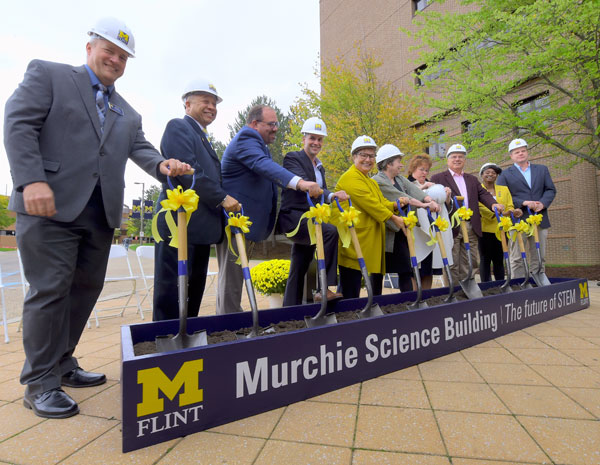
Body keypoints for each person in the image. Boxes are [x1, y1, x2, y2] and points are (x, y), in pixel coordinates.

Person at [3, 18, 192, 419]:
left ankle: (63, 362)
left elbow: (140, 149)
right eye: (110, 50)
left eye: (124, 56)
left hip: (99, 213)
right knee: (50, 290)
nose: (116, 59)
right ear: (89, 47)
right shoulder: (49, 75)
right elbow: (19, 123)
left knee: (85, 290)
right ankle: (39, 382)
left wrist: (164, 165)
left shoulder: (127, 111)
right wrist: (30, 180)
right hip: (48, 204)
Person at [216, 105, 321, 314]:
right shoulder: (246, 138)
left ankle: (232, 322)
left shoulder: (260, 145)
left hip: (246, 224)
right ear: (255, 124)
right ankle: (227, 329)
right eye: (271, 124)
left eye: (277, 124)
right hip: (235, 222)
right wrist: (299, 182)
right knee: (232, 278)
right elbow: (263, 165)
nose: (276, 129)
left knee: (235, 277)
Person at [153, 80, 240, 321]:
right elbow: (191, 173)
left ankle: (186, 341)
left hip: (200, 228)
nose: (211, 107)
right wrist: (222, 198)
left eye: (214, 103)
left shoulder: (202, 137)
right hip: (180, 223)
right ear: (187, 103)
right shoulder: (178, 127)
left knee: (192, 292)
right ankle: (167, 343)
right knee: (172, 292)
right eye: (206, 101)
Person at [276, 117, 347, 306]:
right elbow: (307, 184)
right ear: (304, 139)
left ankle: (289, 309)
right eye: (312, 138)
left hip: (311, 219)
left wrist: (333, 195)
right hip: (295, 218)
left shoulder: (320, 167)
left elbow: (320, 192)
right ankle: (326, 287)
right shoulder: (293, 158)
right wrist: (323, 192)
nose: (316, 143)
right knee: (330, 232)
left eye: (320, 139)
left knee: (299, 264)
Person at [334, 136, 407, 299]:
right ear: (354, 157)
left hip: (368, 241)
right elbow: (371, 205)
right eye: (363, 155)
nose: (368, 159)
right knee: (350, 289)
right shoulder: (350, 178)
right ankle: (347, 321)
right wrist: (394, 218)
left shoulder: (370, 181)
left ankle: (361, 316)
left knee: (366, 286)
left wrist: (395, 205)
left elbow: (380, 202)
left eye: (371, 156)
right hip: (353, 243)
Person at [431, 144, 503, 284]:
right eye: (454, 157)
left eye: (461, 157)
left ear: (464, 160)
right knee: (452, 261)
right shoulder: (438, 178)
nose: (457, 159)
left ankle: (468, 287)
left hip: (471, 225)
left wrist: (493, 204)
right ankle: (454, 290)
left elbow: (483, 194)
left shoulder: (472, 179)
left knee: (470, 260)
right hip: (451, 225)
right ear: (448, 160)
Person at [371, 144, 440, 292]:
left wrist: (429, 199)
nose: (401, 165)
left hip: (401, 230)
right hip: (385, 232)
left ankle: (407, 303)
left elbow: (415, 191)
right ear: (389, 163)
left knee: (405, 269)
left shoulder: (400, 179)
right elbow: (404, 198)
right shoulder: (378, 181)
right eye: (398, 162)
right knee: (378, 271)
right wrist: (424, 205)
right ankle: (376, 303)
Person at [496, 138, 556, 277]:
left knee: (539, 254)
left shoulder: (542, 169)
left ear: (527, 152)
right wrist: (523, 202)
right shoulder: (504, 175)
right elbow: (503, 197)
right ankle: (518, 283)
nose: (521, 153)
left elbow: (550, 190)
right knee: (517, 256)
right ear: (511, 156)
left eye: (523, 150)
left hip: (539, 218)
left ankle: (538, 280)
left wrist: (542, 203)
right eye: (517, 152)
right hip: (517, 220)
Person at [406, 154, 449, 289]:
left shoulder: (431, 184)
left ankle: (426, 296)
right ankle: (415, 297)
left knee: (427, 269)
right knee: (414, 270)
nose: (424, 173)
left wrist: (446, 195)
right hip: (414, 231)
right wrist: (423, 189)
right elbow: (407, 198)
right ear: (413, 168)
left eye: (426, 170)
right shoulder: (406, 183)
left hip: (429, 232)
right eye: (421, 169)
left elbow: (443, 206)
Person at [478, 162, 522, 282]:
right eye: (487, 172)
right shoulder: (478, 189)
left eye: (494, 173)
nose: (491, 175)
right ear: (482, 175)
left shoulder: (504, 189)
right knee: (485, 259)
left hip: (502, 229)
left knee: (499, 259)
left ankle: (501, 284)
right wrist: (499, 214)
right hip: (485, 230)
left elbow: (509, 205)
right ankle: (486, 285)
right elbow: (479, 207)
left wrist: (513, 211)